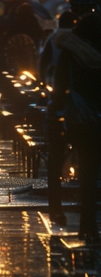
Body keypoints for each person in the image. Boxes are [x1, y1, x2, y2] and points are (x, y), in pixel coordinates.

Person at [49, 13, 101, 242]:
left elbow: (59, 85)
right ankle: (89, 224)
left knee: (57, 161)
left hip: (73, 117)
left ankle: (57, 209)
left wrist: (55, 109)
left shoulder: (69, 55)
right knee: (90, 171)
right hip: (95, 119)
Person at [40, 11, 78, 225]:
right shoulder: (80, 45)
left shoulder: (53, 39)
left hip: (57, 104)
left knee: (54, 162)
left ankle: (56, 209)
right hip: (81, 112)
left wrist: (43, 83)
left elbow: (43, 64)